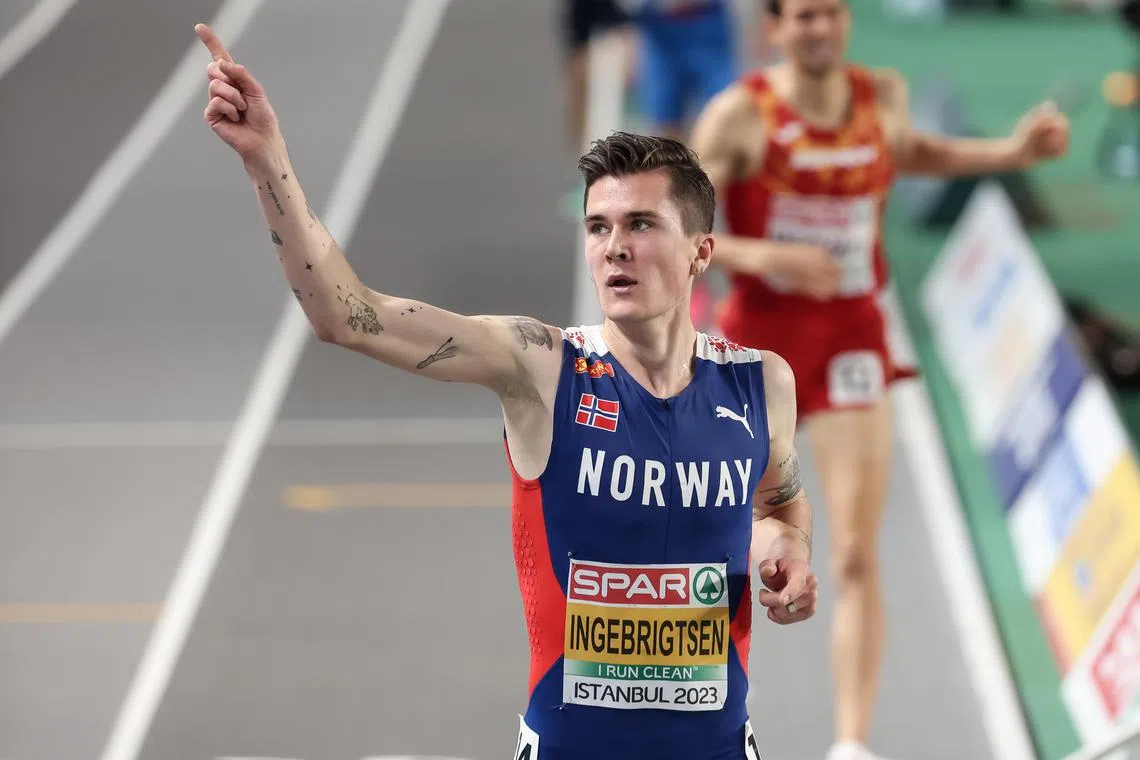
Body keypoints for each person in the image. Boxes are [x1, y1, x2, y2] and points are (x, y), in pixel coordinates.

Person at [195, 22, 820, 760]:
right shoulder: (541, 367)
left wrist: (790, 549)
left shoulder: (760, 384)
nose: (614, 246)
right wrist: (268, 160)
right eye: (597, 226)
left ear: (700, 252)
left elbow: (776, 505)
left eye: (641, 224)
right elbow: (347, 314)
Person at [688, 1, 1070, 759]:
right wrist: (769, 257)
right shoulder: (739, 117)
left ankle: (852, 744)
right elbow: (682, 225)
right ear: (775, 28)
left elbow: (914, 151)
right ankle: (707, 709)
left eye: (831, 12)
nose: (821, 28)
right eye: (803, 17)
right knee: (715, 540)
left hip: (854, 341)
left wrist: (1011, 152)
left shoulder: (880, 96)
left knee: (856, 552)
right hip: (759, 348)